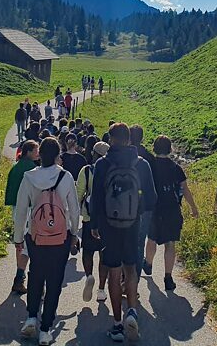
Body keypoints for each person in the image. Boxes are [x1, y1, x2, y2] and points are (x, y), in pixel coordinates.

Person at [89, 123, 157, 342]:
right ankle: (133, 311)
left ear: (110, 140)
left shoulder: (102, 164)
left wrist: (95, 224)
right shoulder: (142, 164)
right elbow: (151, 199)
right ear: (129, 140)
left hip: (109, 225)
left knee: (114, 271)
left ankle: (117, 325)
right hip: (133, 224)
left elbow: (97, 197)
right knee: (131, 266)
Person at [13, 137, 81, 345]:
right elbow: (74, 209)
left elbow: (22, 210)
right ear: (58, 156)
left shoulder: (29, 177)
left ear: (40, 154)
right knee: (54, 281)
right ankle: (46, 328)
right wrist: (74, 234)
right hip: (60, 237)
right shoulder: (66, 176)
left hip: (36, 236)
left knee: (36, 275)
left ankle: (31, 316)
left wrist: (18, 238)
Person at [143, 135, 198, 291]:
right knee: (170, 244)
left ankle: (148, 263)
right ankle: (168, 277)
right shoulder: (176, 168)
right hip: (172, 209)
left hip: (154, 208)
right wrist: (193, 208)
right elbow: (185, 190)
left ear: (154, 148)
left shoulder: (150, 165)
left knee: (152, 238)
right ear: (170, 149)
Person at [5, 140, 40, 294]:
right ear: (29, 152)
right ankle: (22, 277)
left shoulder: (15, 167)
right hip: (29, 209)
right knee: (30, 242)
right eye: (36, 150)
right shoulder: (32, 169)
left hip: (16, 208)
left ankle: (20, 272)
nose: (38, 153)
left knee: (19, 242)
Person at [77, 140, 110, 303]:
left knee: (88, 251)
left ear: (94, 154)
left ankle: (89, 276)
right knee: (104, 255)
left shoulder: (86, 171)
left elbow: (78, 194)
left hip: (89, 217)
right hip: (108, 219)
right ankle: (102, 289)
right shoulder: (112, 169)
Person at [129, 126, 154, 278]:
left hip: (123, 205)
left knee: (124, 242)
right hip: (143, 206)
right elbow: (152, 187)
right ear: (143, 138)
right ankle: (134, 279)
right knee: (139, 243)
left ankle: (123, 278)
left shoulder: (122, 155)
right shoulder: (148, 158)